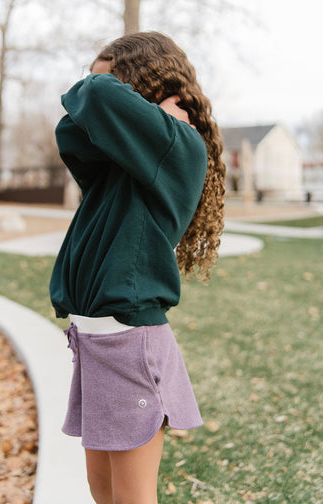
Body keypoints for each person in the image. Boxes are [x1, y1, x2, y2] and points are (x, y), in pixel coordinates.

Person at [50, 31, 226, 504]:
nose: (94, 84)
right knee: (102, 492)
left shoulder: (179, 146)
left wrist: (107, 87)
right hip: (95, 342)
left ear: (137, 85)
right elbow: (71, 129)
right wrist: (122, 105)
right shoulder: (121, 165)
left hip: (130, 344)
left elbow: (93, 94)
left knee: (130, 499)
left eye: (113, 78)